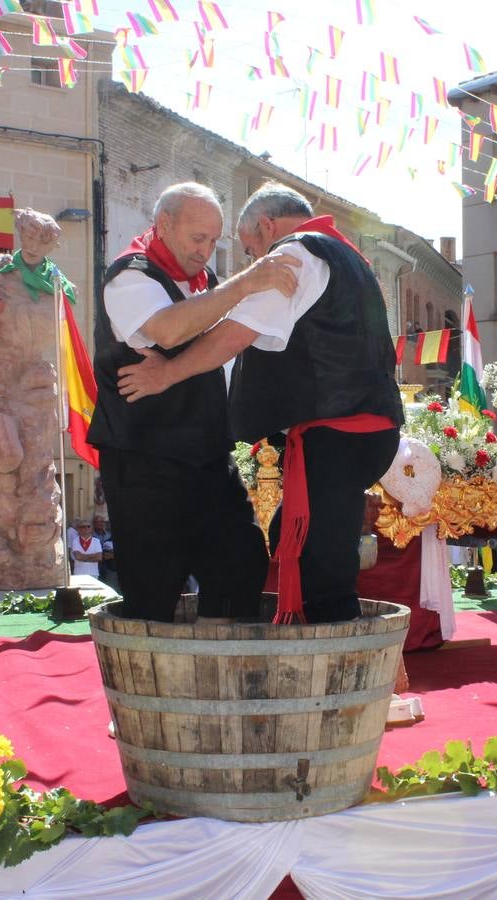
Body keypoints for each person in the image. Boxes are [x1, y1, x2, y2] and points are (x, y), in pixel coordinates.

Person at [117, 182, 403, 624]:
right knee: (298, 536)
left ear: (267, 226)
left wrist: (167, 373)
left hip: (334, 433)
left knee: (321, 569)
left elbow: (235, 334)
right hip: (369, 427)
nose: (253, 262)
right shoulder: (345, 253)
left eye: (249, 249)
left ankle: (336, 676)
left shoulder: (291, 255)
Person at [86, 182, 300, 623]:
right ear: (164, 225)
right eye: (197, 238)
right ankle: (153, 685)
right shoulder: (130, 275)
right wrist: (246, 283)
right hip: (145, 461)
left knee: (242, 562)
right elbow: (169, 330)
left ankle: (217, 659)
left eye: (214, 241)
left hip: (207, 457)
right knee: (154, 586)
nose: (206, 251)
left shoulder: (210, 285)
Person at [92, 514, 117, 589]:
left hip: (109, 566)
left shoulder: (109, 535)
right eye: (97, 522)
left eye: (102, 522)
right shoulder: (90, 534)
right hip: (96, 564)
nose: (100, 523)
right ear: (94, 523)